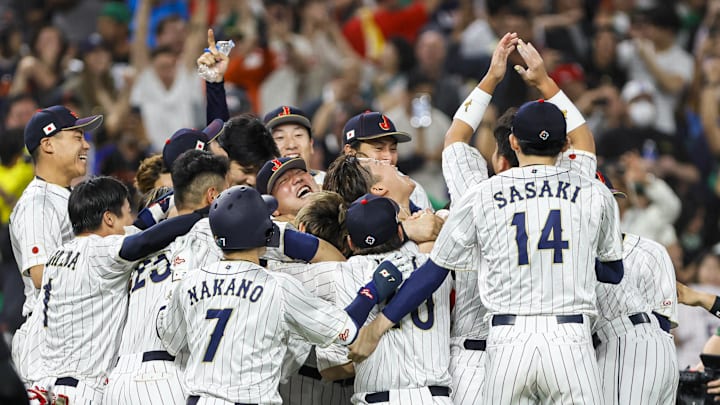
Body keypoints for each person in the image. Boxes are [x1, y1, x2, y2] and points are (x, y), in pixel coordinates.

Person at [349, 51, 625, 405]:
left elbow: (455, 138)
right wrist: (544, 81)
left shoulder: (479, 193)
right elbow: (613, 272)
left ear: (510, 145)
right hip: (570, 336)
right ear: (563, 146)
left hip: (497, 346)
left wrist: (492, 77)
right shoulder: (588, 187)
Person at [156, 185, 403, 404]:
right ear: (266, 232)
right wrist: (372, 291)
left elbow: (170, 340)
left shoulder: (190, 281)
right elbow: (345, 330)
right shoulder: (277, 287)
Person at [36, 176, 207, 403]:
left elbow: (138, 229)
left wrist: (164, 203)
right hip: (82, 389)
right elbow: (143, 241)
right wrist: (203, 214)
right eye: (127, 213)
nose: (131, 221)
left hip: (46, 387)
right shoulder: (99, 251)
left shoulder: (57, 256)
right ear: (108, 218)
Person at [103, 150, 230, 404]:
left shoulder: (133, 246)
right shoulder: (208, 238)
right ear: (212, 195)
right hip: (167, 376)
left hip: (117, 382)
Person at [9, 105, 102, 385]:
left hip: (70, 337)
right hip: (48, 342)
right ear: (47, 144)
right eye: (76, 136)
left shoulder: (66, 197)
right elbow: (41, 275)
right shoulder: (39, 203)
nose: (86, 144)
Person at [341, 110, 433, 210]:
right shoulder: (331, 188)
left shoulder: (411, 189)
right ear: (350, 152)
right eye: (379, 148)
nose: (388, 157)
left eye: (393, 149)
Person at [264, 105, 326, 185]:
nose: (291, 145)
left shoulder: (331, 184)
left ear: (311, 144)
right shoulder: (260, 193)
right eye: (280, 137)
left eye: (298, 135)